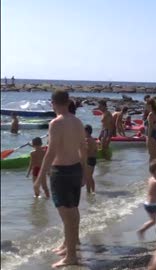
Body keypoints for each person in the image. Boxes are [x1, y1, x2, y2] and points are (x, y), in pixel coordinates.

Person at [33, 89, 86, 267]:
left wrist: (40, 177)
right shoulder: (78, 122)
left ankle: (71, 256)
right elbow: (82, 149)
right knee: (73, 211)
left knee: (67, 215)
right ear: (68, 102)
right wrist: (85, 172)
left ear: (53, 103)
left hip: (61, 172)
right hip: (76, 169)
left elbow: (51, 152)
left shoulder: (56, 123)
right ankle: (70, 244)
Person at [137, 159, 156, 239]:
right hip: (153, 205)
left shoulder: (151, 179)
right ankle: (142, 230)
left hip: (148, 203)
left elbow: (153, 191)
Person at [84, 125, 97, 194]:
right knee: (89, 177)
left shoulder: (87, 140)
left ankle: (89, 192)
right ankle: (92, 191)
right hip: (93, 159)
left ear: (87, 132)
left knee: (88, 177)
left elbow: (87, 151)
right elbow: (95, 150)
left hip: (89, 159)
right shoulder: (92, 139)